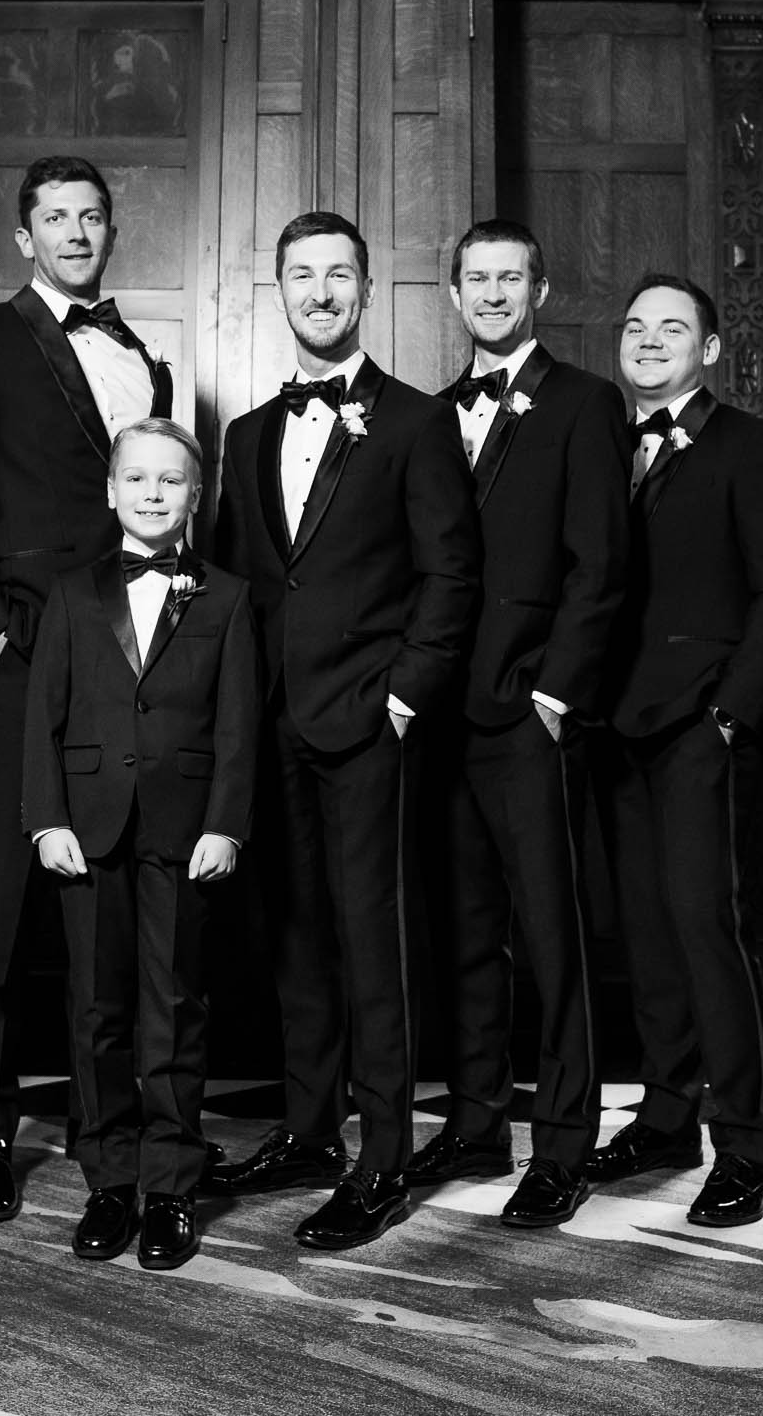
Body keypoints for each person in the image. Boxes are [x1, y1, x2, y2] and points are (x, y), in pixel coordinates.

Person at [204, 210, 481, 1252]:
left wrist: (402, 698)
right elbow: (235, 586)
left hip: (370, 721)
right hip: (271, 724)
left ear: (365, 290)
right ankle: (309, 1130)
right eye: (300, 276)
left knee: (374, 941)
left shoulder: (414, 421)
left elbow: (450, 574)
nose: (319, 293)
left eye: (337, 276)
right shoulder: (246, 433)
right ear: (277, 290)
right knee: (295, 939)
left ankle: (381, 1159)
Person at [0, 156, 174, 1223]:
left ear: (111, 231)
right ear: (24, 238)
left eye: (89, 216)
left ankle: (103, 1135)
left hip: (121, 659)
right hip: (21, 656)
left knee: (96, 904)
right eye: (54, 218)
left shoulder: (143, 354)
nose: (73, 232)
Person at [408, 220, 628, 1229]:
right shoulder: (422, 413)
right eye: (476, 279)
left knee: (551, 935)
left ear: (539, 289)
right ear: (453, 295)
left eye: (510, 277)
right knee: (463, 934)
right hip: (439, 713)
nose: (492, 293)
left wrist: (555, 692)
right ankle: (474, 1118)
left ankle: (565, 1145)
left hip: (527, 708)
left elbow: (602, 566)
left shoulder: (585, 403)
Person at [586, 273, 763, 1230]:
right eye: (635, 326)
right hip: (614, 724)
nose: (648, 340)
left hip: (701, 726)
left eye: (671, 327)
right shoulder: (601, 442)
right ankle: (668, 1117)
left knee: (707, 930)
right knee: (644, 932)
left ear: (710, 349)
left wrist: (733, 717)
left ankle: (746, 1148)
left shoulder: (752, 445)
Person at [22, 418, 258, 1272]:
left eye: (171, 481)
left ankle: (170, 1188)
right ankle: (108, 1182)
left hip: (183, 828)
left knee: (175, 1007)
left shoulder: (226, 596)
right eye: (138, 478)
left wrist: (226, 822)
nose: (154, 493)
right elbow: (42, 715)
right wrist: (45, 819)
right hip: (87, 829)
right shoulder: (73, 591)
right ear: (112, 489)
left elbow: (239, 723)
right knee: (95, 1010)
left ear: (195, 496)